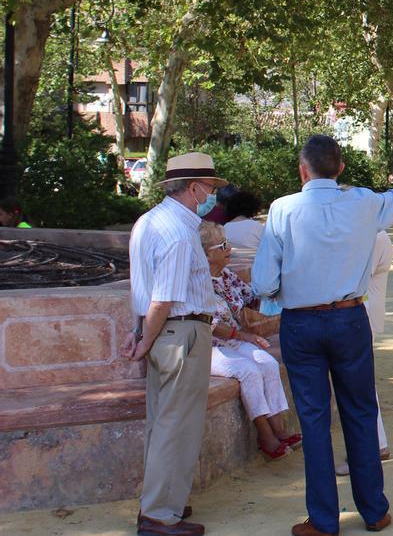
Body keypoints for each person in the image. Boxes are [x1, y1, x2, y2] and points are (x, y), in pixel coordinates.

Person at [252, 131, 393, 536]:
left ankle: (323, 519)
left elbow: (263, 281)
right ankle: (374, 510)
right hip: (350, 318)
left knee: (314, 419)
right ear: (341, 168)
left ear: (302, 170)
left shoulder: (282, 210)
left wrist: (283, 287)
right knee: (360, 411)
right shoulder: (364, 202)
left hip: (302, 323)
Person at [122, 152, 228, 536]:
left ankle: (162, 503)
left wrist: (141, 336)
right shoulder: (180, 232)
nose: (211, 196)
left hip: (167, 333)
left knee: (163, 421)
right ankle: (159, 514)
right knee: (176, 424)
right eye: (210, 188)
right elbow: (163, 298)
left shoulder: (149, 222)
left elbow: (146, 291)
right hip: (181, 332)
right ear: (195, 188)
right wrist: (144, 337)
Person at [199, 221, 301, 459]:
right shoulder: (195, 282)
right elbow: (208, 324)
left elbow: (251, 297)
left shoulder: (224, 275)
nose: (229, 249)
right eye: (223, 245)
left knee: (267, 363)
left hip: (233, 341)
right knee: (247, 370)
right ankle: (264, 434)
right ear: (206, 253)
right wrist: (245, 336)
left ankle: (278, 428)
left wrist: (289, 299)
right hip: (206, 346)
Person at [335, 229, 393, 477]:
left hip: (360, 312)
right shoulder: (374, 233)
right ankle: (373, 445)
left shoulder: (373, 236)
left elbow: (351, 275)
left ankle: (371, 447)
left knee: (357, 386)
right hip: (363, 312)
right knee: (359, 384)